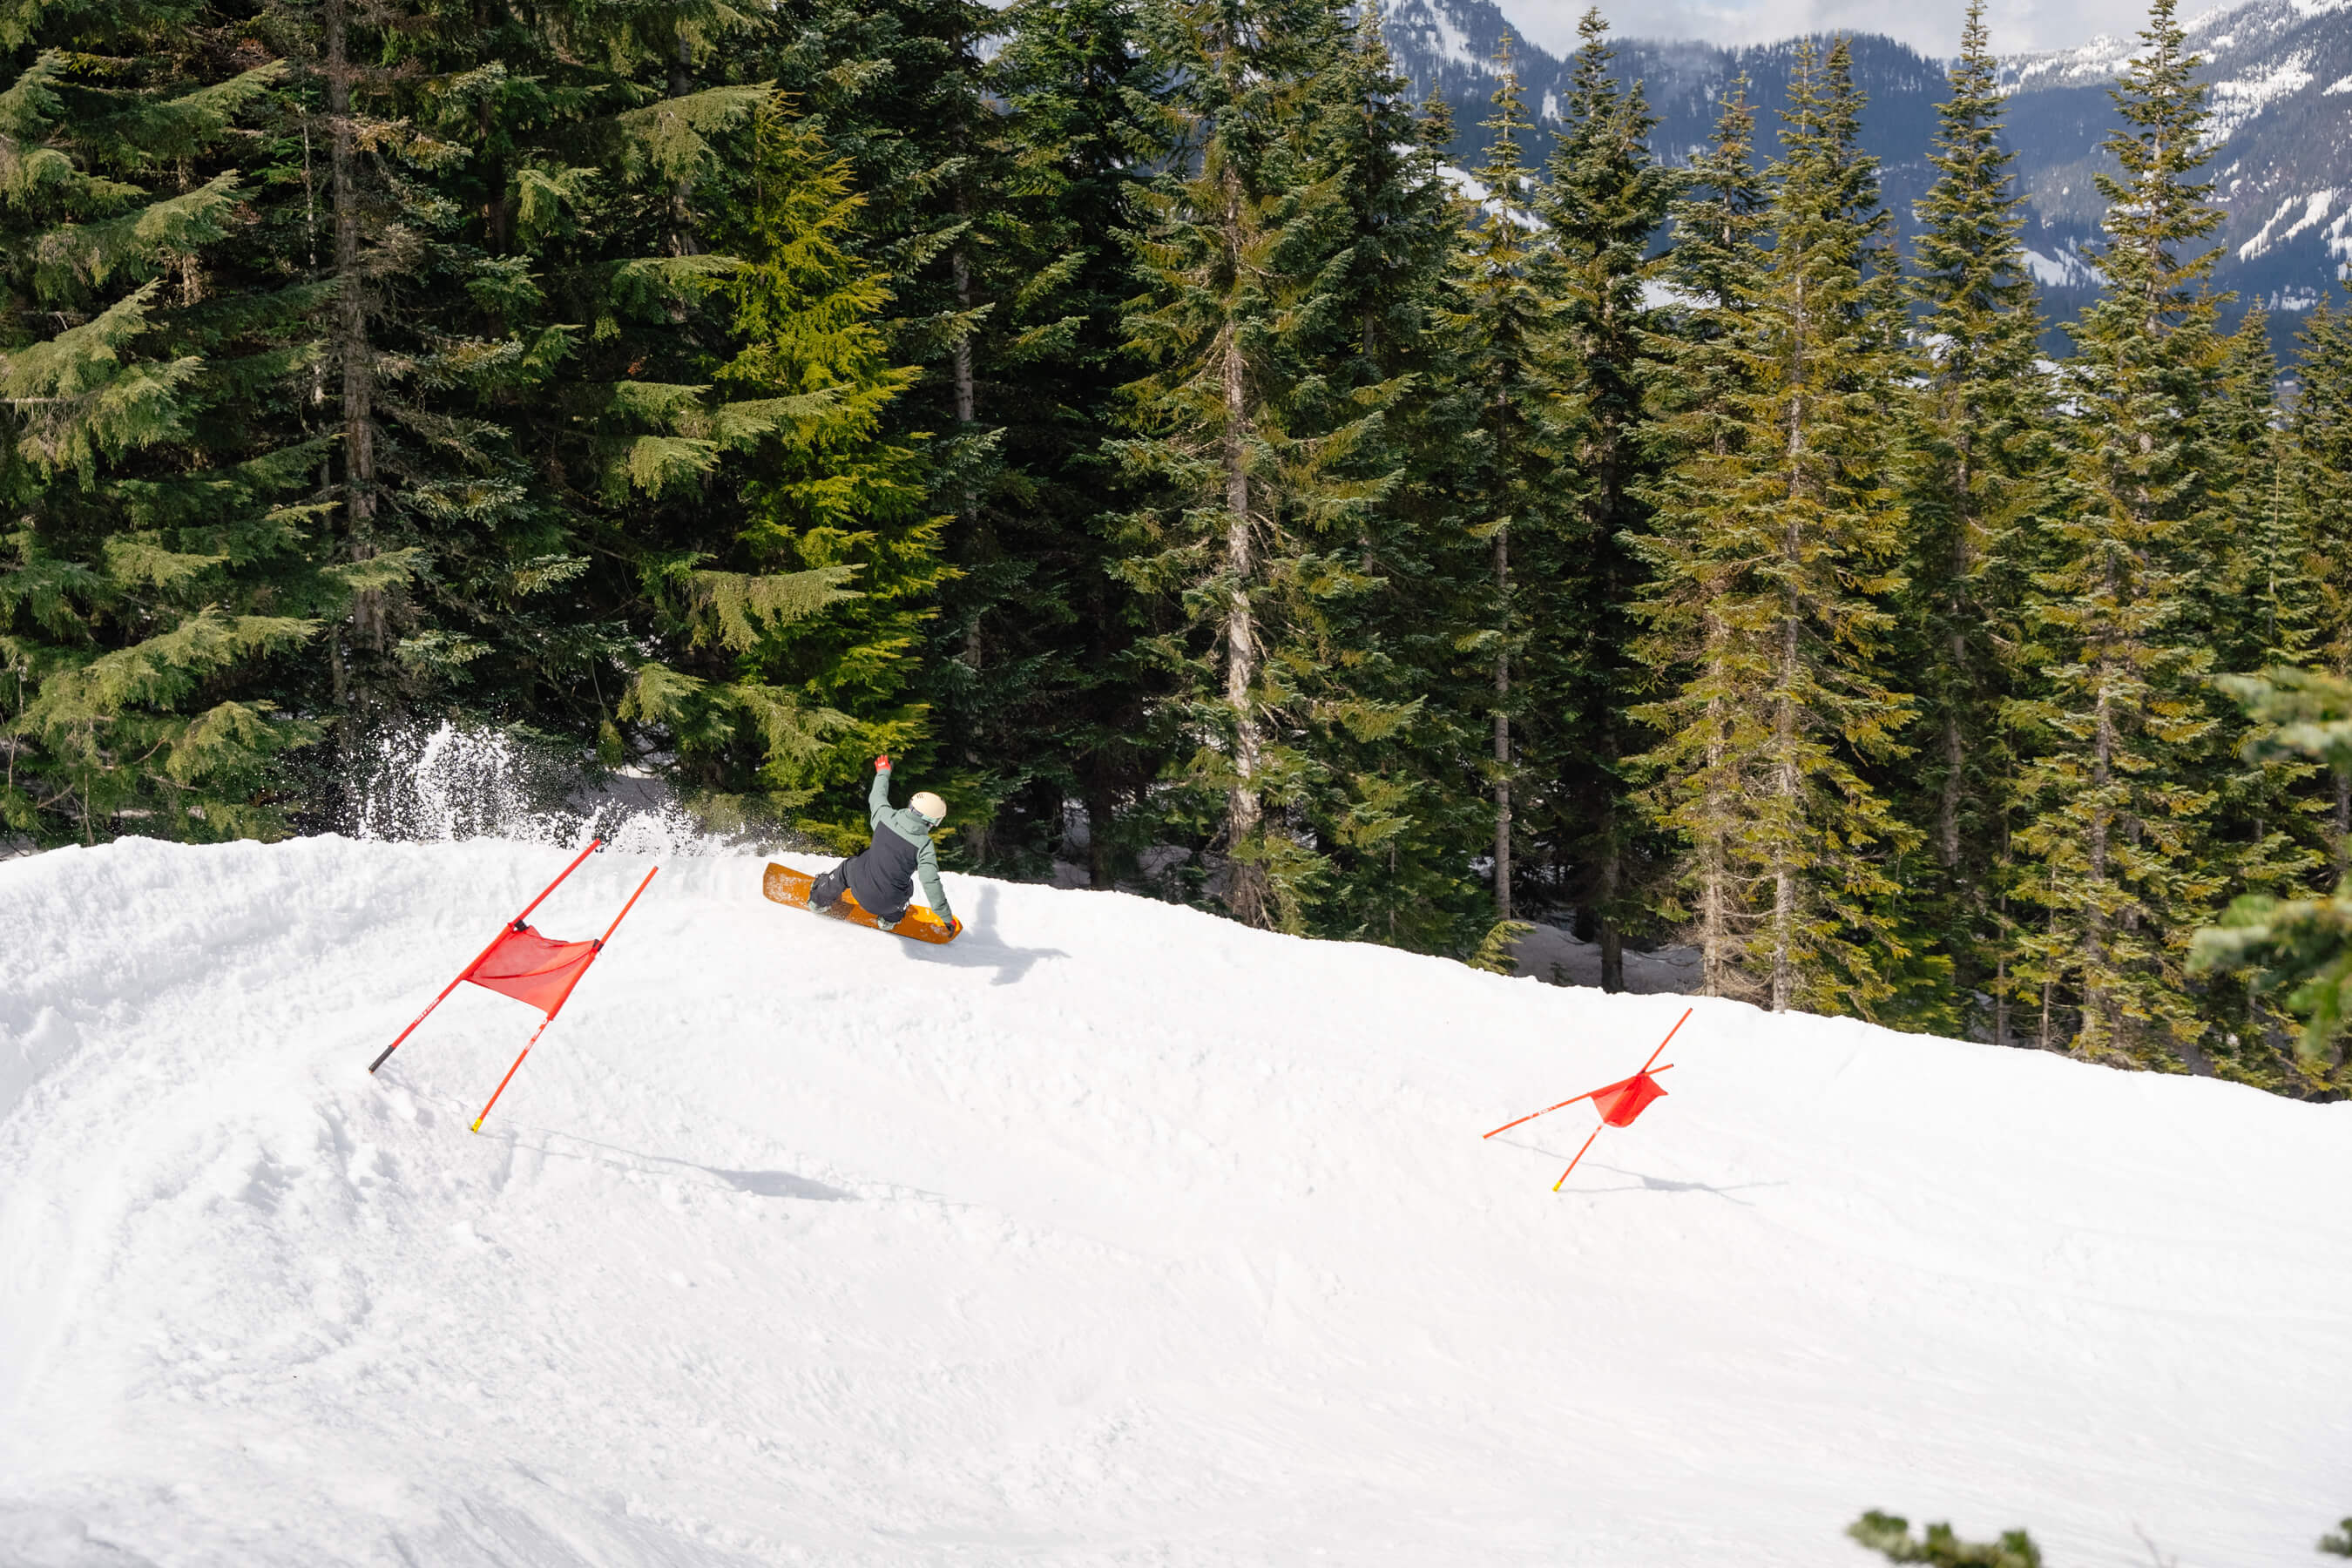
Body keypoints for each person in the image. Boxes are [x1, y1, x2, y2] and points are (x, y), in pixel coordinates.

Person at [808, 755, 960, 934]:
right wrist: (946, 917)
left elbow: (877, 796)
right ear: (933, 822)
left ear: (911, 805)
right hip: (889, 904)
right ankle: (888, 921)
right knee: (907, 887)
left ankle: (818, 900)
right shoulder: (924, 846)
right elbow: (930, 882)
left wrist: (883, 772)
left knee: (848, 866)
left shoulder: (885, 817)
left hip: (858, 885)